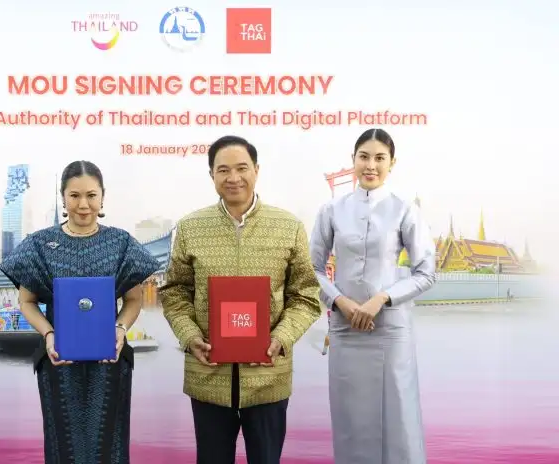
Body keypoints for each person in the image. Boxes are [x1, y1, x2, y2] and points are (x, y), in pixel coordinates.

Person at [159, 135, 322, 464]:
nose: (233, 178)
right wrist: (190, 336)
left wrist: (281, 337)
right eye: (223, 170)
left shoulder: (288, 226)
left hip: (268, 375)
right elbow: (174, 292)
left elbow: (306, 296)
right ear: (212, 175)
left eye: (242, 168)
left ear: (256, 170)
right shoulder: (190, 228)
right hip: (208, 375)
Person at [0, 160, 160, 464]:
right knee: (63, 445)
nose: (83, 204)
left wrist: (120, 329)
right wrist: (48, 334)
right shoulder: (39, 244)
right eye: (74, 195)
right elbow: (27, 302)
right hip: (58, 359)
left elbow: (134, 300)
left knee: (109, 445)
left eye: (91, 195)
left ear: (102, 197)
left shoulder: (121, 242)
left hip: (109, 360)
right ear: (63, 198)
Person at [309, 128, 436, 464]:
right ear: (352, 160)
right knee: (351, 420)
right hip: (346, 329)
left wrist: (382, 298)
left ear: (392, 163)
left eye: (380, 158)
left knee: (399, 420)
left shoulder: (404, 209)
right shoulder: (331, 210)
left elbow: (426, 272)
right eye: (364, 157)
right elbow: (312, 269)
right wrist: (340, 301)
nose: (371, 165)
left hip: (390, 331)